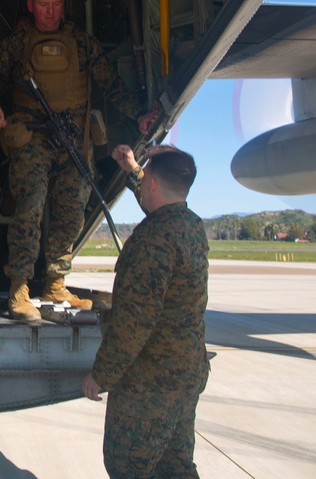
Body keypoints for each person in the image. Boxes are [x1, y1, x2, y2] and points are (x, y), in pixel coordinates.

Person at [0, 0, 157, 321]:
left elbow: (108, 81)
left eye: (57, 5)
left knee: (72, 210)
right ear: (31, 6)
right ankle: (18, 287)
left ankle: (56, 281)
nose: (51, 13)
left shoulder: (80, 41)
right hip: (32, 136)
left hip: (73, 136)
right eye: (44, 6)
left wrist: (138, 114)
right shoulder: (16, 43)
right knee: (29, 207)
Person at [83, 144, 209, 479]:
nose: (141, 186)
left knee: (127, 466)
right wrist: (136, 168)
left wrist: (101, 375)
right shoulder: (191, 226)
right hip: (186, 374)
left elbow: (134, 324)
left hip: (150, 383)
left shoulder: (151, 240)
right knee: (177, 467)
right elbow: (163, 198)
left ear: (151, 184)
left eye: (144, 181)